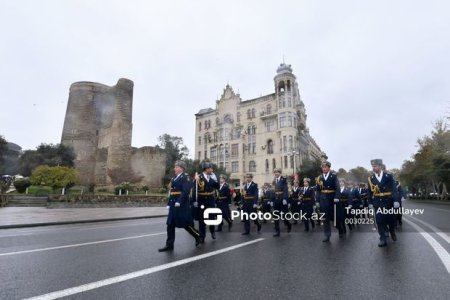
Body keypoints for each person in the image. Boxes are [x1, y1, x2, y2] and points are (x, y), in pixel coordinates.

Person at [158, 161, 200, 252]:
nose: (175, 168)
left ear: (182, 168)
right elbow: (171, 192)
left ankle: (197, 235)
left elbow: (186, 191)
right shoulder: (174, 178)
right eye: (175, 167)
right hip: (173, 205)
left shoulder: (186, 177)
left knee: (185, 224)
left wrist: (179, 201)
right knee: (170, 224)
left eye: (176, 167)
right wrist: (169, 204)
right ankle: (169, 245)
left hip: (181, 205)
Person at [367, 159, 399, 247]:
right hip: (377, 202)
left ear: (380, 166)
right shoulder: (371, 178)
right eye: (372, 166)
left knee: (390, 220)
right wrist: (370, 202)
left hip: (388, 201)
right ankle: (382, 238)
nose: (373, 168)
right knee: (380, 221)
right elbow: (369, 192)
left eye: (375, 166)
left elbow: (394, 189)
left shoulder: (388, 176)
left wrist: (396, 200)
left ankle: (392, 231)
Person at [194, 161, 220, 243]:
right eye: (210, 168)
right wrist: (194, 201)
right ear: (206, 169)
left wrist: (216, 180)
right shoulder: (199, 177)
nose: (212, 170)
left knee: (211, 217)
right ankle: (202, 236)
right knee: (202, 220)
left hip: (210, 200)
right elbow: (194, 190)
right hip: (202, 201)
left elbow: (218, 187)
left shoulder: (212, 178)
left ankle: (212, 231)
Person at [315, 161, 341, 242]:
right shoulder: (319, 178)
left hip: (332, 199)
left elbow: (337, 188)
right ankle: (327, 235)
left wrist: (337, 197)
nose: (324, 168)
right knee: (325, 218)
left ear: (329, 168)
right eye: (323, 167)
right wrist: (317, 200)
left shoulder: (333, 176)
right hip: (323, 199)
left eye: (325, 167)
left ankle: (340, 229)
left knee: (334, 218)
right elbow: (318, 190)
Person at [272, 168, 292, 237]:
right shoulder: (274, 181)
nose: (276, 173)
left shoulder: (283, 179)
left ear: (280, 173)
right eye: (275, 172)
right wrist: (272, 200)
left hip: (282, 199)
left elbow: (285, 189)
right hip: (276, 199)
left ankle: (289, 225)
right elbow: (273, 191)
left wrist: (284, 198)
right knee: (275, 216)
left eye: (277, 172)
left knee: (284, 216)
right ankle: (277, 232)